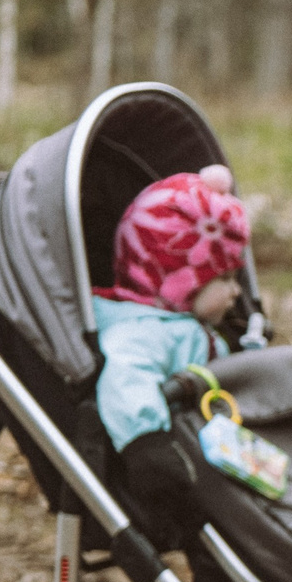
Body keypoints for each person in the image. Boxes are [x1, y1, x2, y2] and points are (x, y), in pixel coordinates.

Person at [96, 165, 253, 540]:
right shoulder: (141, 332)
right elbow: (125, 378)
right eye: (226, 279)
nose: (236, 292)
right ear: (178, 279)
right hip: (180, 468)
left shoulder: (190, 326)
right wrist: (147, 443)